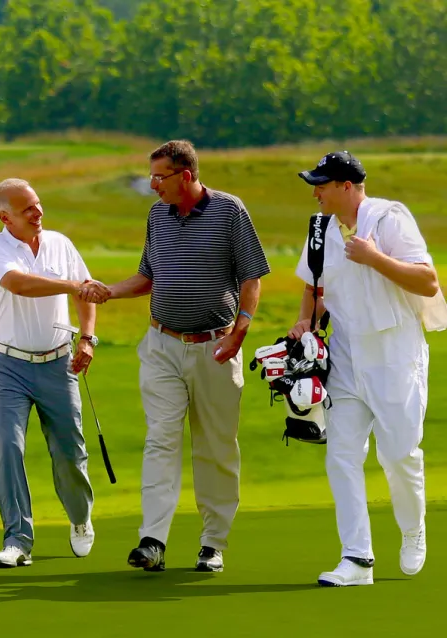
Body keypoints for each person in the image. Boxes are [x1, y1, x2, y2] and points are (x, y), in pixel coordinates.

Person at [81, 140, 269, 573]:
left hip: (216, 348)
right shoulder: (157, 216)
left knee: (215, 447)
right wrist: (110, 291)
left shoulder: (229, 211)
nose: (152, 186)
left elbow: (252, 277)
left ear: (185, 175)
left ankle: (212, 543)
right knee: (161, 439)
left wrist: (240, 332)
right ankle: (153, 541)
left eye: (159, 177)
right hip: (161, 345)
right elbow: (149, 276)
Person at [289, 150, 444, 586]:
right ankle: (357, 559)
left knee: (398, 455)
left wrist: (375, 257)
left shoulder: (389, 219)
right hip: (346, 356)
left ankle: (413, 529)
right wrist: (306, 319)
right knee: (341, 455)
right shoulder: (319, 229)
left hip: (396, 354)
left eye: (321, 184)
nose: (315, 192)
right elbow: (313, 286)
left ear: (346, 186)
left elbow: (428, 281)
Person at [0, 178, 108, 568]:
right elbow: (19, 284)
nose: (38, 213)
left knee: (69, 451)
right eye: (27, 210)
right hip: (8, 366)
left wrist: (87, 339)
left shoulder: (60, 243)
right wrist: (71, 286)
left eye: (38, 204)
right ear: (6, 217)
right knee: (10, 447)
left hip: (58, 363)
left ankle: (80, 518)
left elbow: (86, 294)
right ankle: (17, 539)